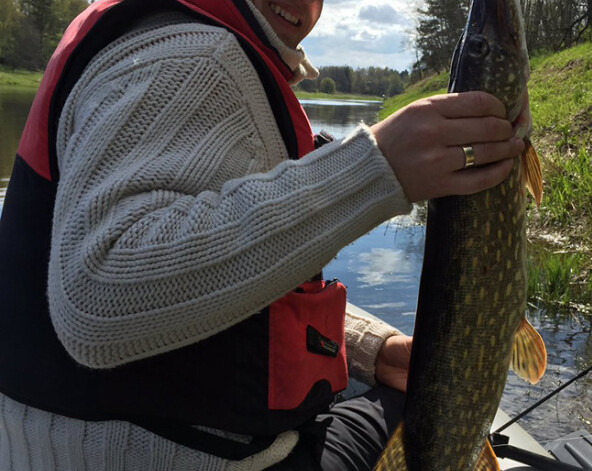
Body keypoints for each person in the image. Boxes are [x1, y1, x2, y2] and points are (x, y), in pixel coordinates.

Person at [0, 0, 524, 469]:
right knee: (407, 409)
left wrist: (370, 349)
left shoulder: (187, 45)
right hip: (184, 455)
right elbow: (99, 297)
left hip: (68, 446)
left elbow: (219, 287)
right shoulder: (191, 56)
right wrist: (375, 166)